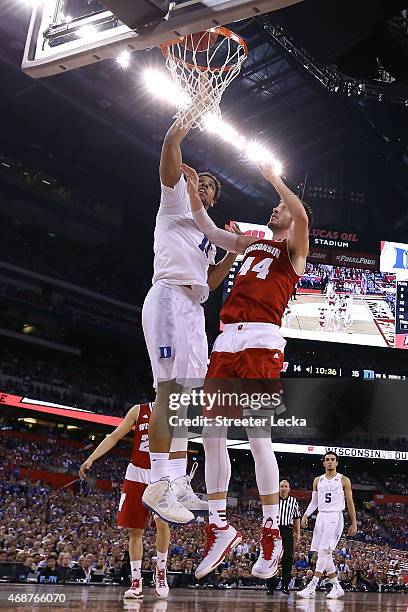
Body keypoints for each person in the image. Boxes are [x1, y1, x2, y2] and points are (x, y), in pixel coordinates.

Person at [180, 161, 312, 581]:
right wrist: (189, 192)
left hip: (261, 339)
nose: (276, 210)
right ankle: (218, 526)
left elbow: (303, 216)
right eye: (275, 205)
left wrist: (274, 179)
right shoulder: (252, 244)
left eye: (281, 208)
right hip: (226, 339)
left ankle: (271, 528)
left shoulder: (294, 253)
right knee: (212, 434)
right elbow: (210, 231)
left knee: (257, 436)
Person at [141, 118, 240, 524]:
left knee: (188, 401)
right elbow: (169, 143)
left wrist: (231, 256)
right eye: (199, 181)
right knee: (169, 391)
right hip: (167, 296)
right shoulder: (174, 202)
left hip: (194, 310)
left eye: (210, 187)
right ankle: (159, 483)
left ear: (214, 200)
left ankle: (179, 480)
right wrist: (189, 115)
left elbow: (211, 283)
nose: (203, 186)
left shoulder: (208, 235)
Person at [79, 403, 171, 600]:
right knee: (135, 530)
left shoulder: (176, 411)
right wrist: (91, 458)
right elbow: (114, 436)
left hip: (161, 474)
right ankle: (136, 582)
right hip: (136, 473)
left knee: (163, 523)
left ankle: (161, 572)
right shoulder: (139, 410)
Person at [297, 451, 357, 600]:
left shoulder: (344, 480)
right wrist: (305, 514)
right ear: (324, 463)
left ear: (337, 463)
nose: (330, 462)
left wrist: (354, 522)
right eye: (327, 460)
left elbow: (350, 502)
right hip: (321, 516)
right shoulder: (318, 480)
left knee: (323, 551)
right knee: (325, 553)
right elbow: (314, 502)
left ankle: (312, 586)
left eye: (333, 459)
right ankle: (337, 587)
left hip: (335, 516)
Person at [266, 480, 301, 595]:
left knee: (287, 558)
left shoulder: (293, 501)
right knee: (271, 557)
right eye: (281, 486)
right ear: (278, 488)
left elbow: (296, 518)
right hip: (274, 530)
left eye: (286, 486)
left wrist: (298, 533)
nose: (284, 488)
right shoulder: (273, 500)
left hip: (287, 530)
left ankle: (285, 585)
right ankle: (270, 586)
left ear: (289, 489)